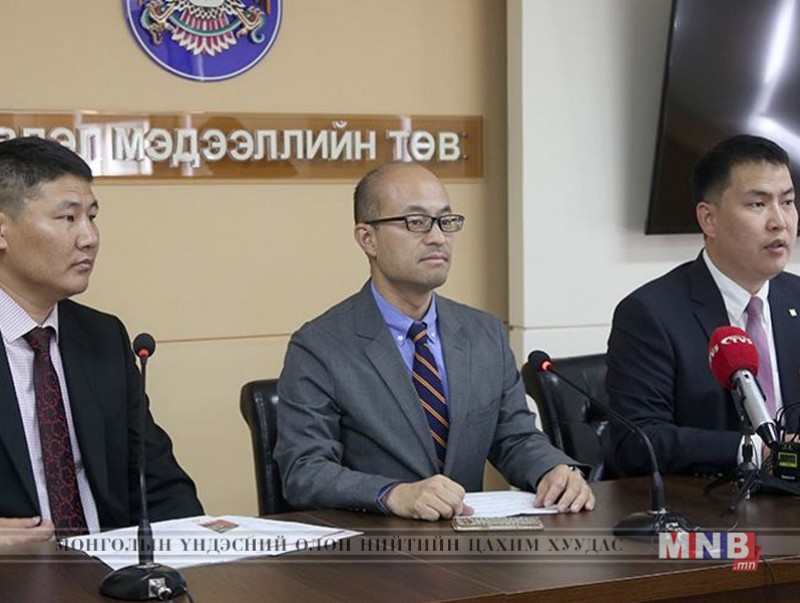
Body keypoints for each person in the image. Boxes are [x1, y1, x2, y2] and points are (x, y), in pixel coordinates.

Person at [275, 161, 594, 521]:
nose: (438, 237)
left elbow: (514, 438)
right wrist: (392, 493)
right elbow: (304, 470)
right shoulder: (319, 346)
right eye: (416, 222)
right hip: (376, 545)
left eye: (446, 221)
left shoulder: (484, 334)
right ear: (368, 239)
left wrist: (553, 470)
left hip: (469, 544)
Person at [0, 137, 202, 547]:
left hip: (109, 568)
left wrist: (200, 556)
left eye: (92, 217)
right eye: (68, 218)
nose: (89, 238)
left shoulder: (103, 337)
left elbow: (157, 482)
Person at [607, 134, 800, 476]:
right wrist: (760, 452)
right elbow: (639, 441)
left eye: (787, 202)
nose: (779, 222)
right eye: (758, 204)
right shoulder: (651, 314)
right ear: (709, 219)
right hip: (710, 501)